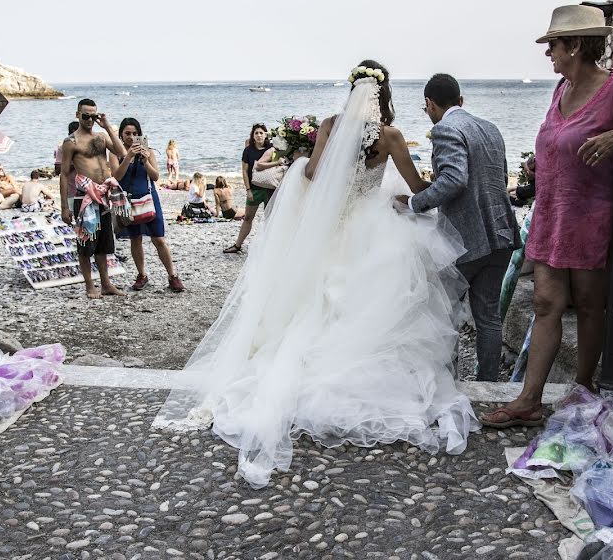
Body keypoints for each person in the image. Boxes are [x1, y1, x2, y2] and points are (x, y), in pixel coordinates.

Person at [153, 60, 478, 488]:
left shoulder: (329, 124)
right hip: (371, 225)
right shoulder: (392, 136)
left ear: (350, 89)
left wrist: (299, 159)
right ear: (384, 93)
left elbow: (312, 174)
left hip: (333, 227)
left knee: (315, 299)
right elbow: (418, 190)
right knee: (375, 298)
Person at [480, 5, 613, 428]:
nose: (548, 53)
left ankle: (583, 387)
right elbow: (560, 142)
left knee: (590, 305)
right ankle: (529, 400)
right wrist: (539, 162)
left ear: (576, 45)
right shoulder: (560, 90)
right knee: (546, 302)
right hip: (553, 213)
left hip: (592, 218)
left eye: (553, 45)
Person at [397, 73, 521, 382]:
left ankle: (447, 384)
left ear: (430, 104)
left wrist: (414, 203)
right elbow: (499, 180)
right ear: (461, 100)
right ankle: (488, 385)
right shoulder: (490, 129)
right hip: (502, 234)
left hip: (464, 241)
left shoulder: (444, 130)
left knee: (444, 313)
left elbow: (454, 179)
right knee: (488, 317)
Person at [60, 98, 128, 299]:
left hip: (104, 195)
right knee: (85, 243)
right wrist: (65, 206)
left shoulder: (101, 137)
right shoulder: (71, 142)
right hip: (84, 197)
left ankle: (106, 284)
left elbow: (122, 152)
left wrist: (107, 125)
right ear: (77, 115)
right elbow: (64, 174)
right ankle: (90, 285)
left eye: (93, 116)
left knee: (104, 243)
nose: (89, 119)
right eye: (85, 116)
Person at [111, 118, 185, 293]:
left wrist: (144, 161)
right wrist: (128, 157)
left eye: (135, 134)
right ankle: (141, 274)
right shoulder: (115, 153)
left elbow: (156, 176)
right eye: (127, 133)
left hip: (149, 197)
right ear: (121, 134)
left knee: (159, 239)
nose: (131, 137)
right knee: (135, 239)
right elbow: (117, 176)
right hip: (128, 200)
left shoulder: (149, 152)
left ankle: (173, 275)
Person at [223, 123, 273, 253]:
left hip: (270, 189)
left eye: (261, 133)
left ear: (266, 135)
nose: (259, 135)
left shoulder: (272, 148)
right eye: (256, 133)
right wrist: (248, 190)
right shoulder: (248, 150)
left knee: (270, 218)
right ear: (253, 135)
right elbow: (244, 171)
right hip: (254, 189)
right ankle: (238, 245)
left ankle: (270, 246)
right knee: (248, 218)